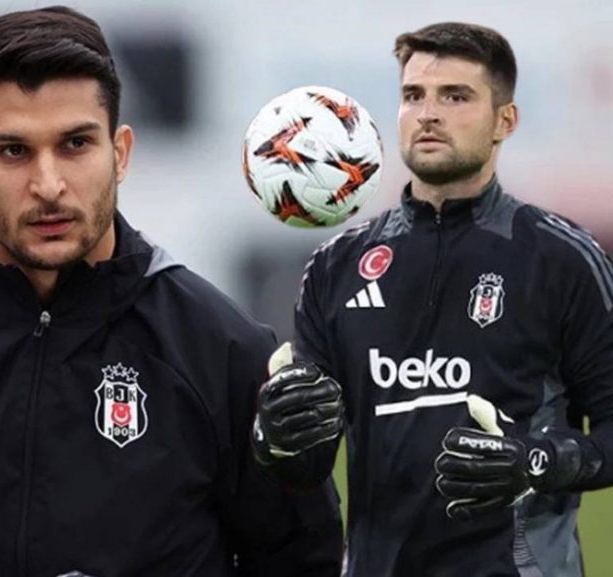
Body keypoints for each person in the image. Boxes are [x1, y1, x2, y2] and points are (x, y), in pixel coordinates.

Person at [0, 6, 342, 577]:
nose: (48, 186)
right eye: (13, 151)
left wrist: (299, 485)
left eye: (74, 144)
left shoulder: (224, 353)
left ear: (119, 153)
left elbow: (305, 564)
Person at [252, 21, 613, 577]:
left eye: (455, 96)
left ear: (505, 121)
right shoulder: (336, 267)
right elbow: (305, 467)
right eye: (413, 95)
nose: (428, 113)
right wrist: (276, 436)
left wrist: (536, 461)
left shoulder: (562, 259)